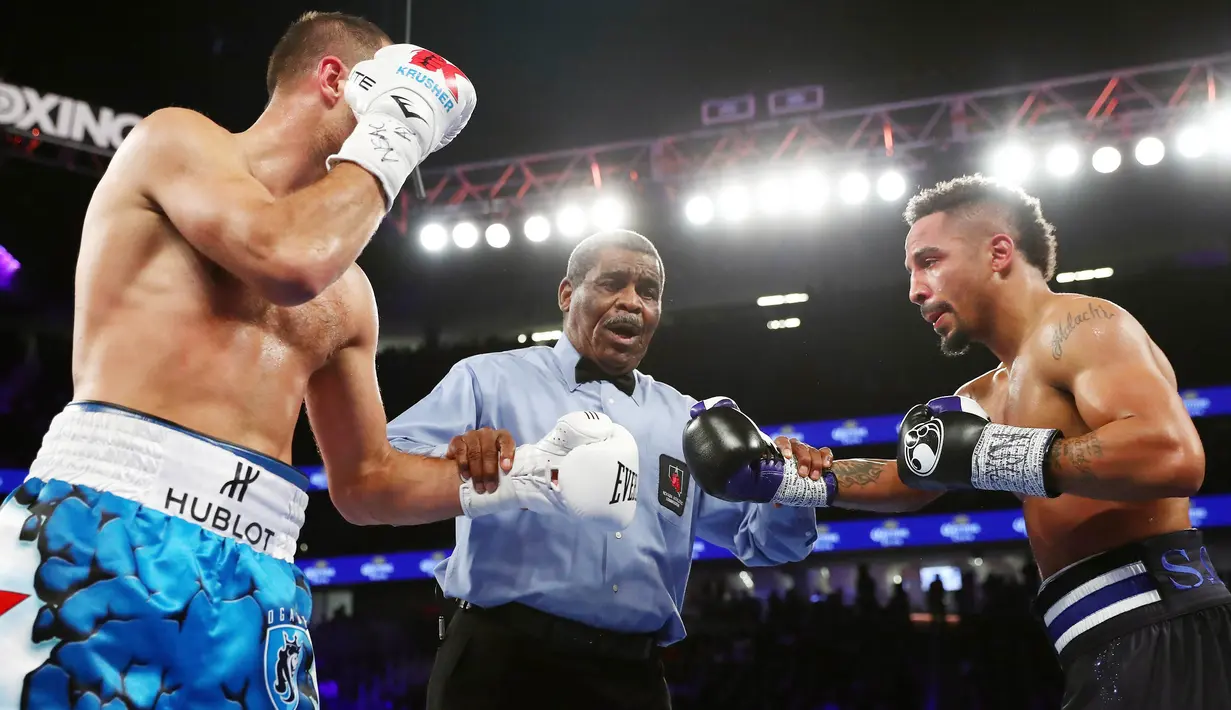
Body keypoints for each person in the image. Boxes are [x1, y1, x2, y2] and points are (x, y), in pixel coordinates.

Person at [0, 12, 493, 710]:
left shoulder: (351, 296)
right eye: (394, 95)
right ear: (336, 80)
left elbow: (366, 482)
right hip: (102, 530)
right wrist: (398, 128)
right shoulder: (175, 142)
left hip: (257, 577)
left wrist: (531, 480)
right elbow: (286, 258)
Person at [684, 174, 1229, 709]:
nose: (916, 290)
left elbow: (1171, 454)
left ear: (997, 253)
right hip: (1097, 635)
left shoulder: (1083, 326)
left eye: (929, 261)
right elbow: (911, 478)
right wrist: (789, 479)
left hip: (1161, 617)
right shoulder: (984, 392)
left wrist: (1002, 455)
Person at [385, 229, 820, 710]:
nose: (632, 302)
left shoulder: (685, 421)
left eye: (648, 292)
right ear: (567, 294)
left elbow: (766, 541)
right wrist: (461, 455)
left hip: (631, 679)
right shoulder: (488, 379)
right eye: (613, 283)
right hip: (501, 664)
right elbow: (386, 463)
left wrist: (791, 484)